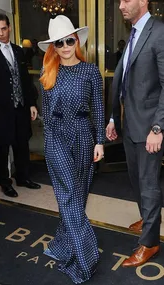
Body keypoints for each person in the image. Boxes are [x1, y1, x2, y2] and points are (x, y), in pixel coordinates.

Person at [38, 15, 105, 284]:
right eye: (59, 42)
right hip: (55, 138)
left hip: (83, 137)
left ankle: (62, 246)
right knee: (68, 197)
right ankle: (86, 259)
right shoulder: (48, 73)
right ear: (53, 47)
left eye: (69, 40)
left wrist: (99, 140)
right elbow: (45, 110)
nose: (65, 46)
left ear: (76, 41)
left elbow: (99, 109)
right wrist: (47, 141)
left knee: (76, 197)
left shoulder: (90, 72)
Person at [106, 0, 164, 267]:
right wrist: (114, 118)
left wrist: (158, 128)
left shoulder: (159, 31)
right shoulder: (134, 33)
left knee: (149, 185)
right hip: (130, 125)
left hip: (150, 129)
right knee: (136, 181)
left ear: (143, 1)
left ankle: (150, 243)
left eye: (126, 0)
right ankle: (147, 220)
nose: (120, 6)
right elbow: (126, 81)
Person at [0, 13, 41, 197]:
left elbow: (25, 80)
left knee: (22, 143)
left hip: (20, 107)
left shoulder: (19, 50)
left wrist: (31, 104)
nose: (1, 33)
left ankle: (23, 177)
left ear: (9, 27)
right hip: (1, 110)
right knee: (2, 148)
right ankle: (5, 183)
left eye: (4, 28)